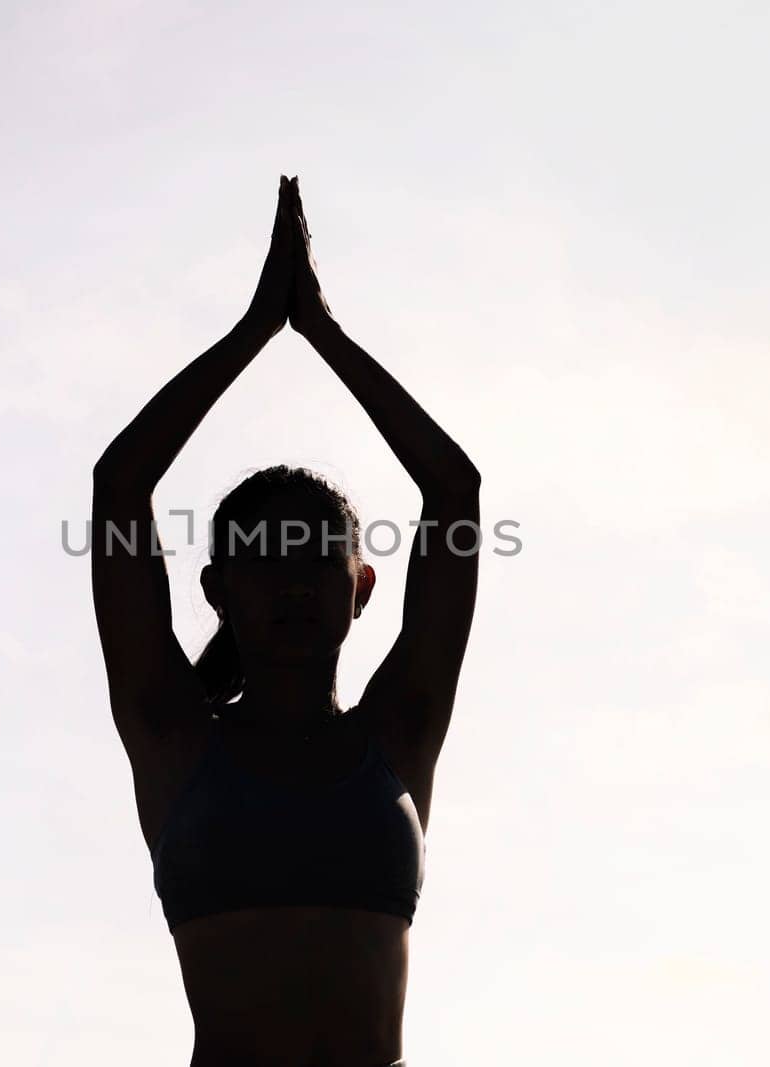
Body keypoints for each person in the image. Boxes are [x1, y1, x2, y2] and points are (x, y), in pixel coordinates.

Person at [90, 175, 481, 1067]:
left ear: (363, 585)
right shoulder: (172, 737)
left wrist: (326, 332)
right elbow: (121, 489)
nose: (293, 582)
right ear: (218, 585)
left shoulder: (402, 731)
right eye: (265, 557)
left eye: (315, 557)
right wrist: (257, 330)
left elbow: (455, 492)